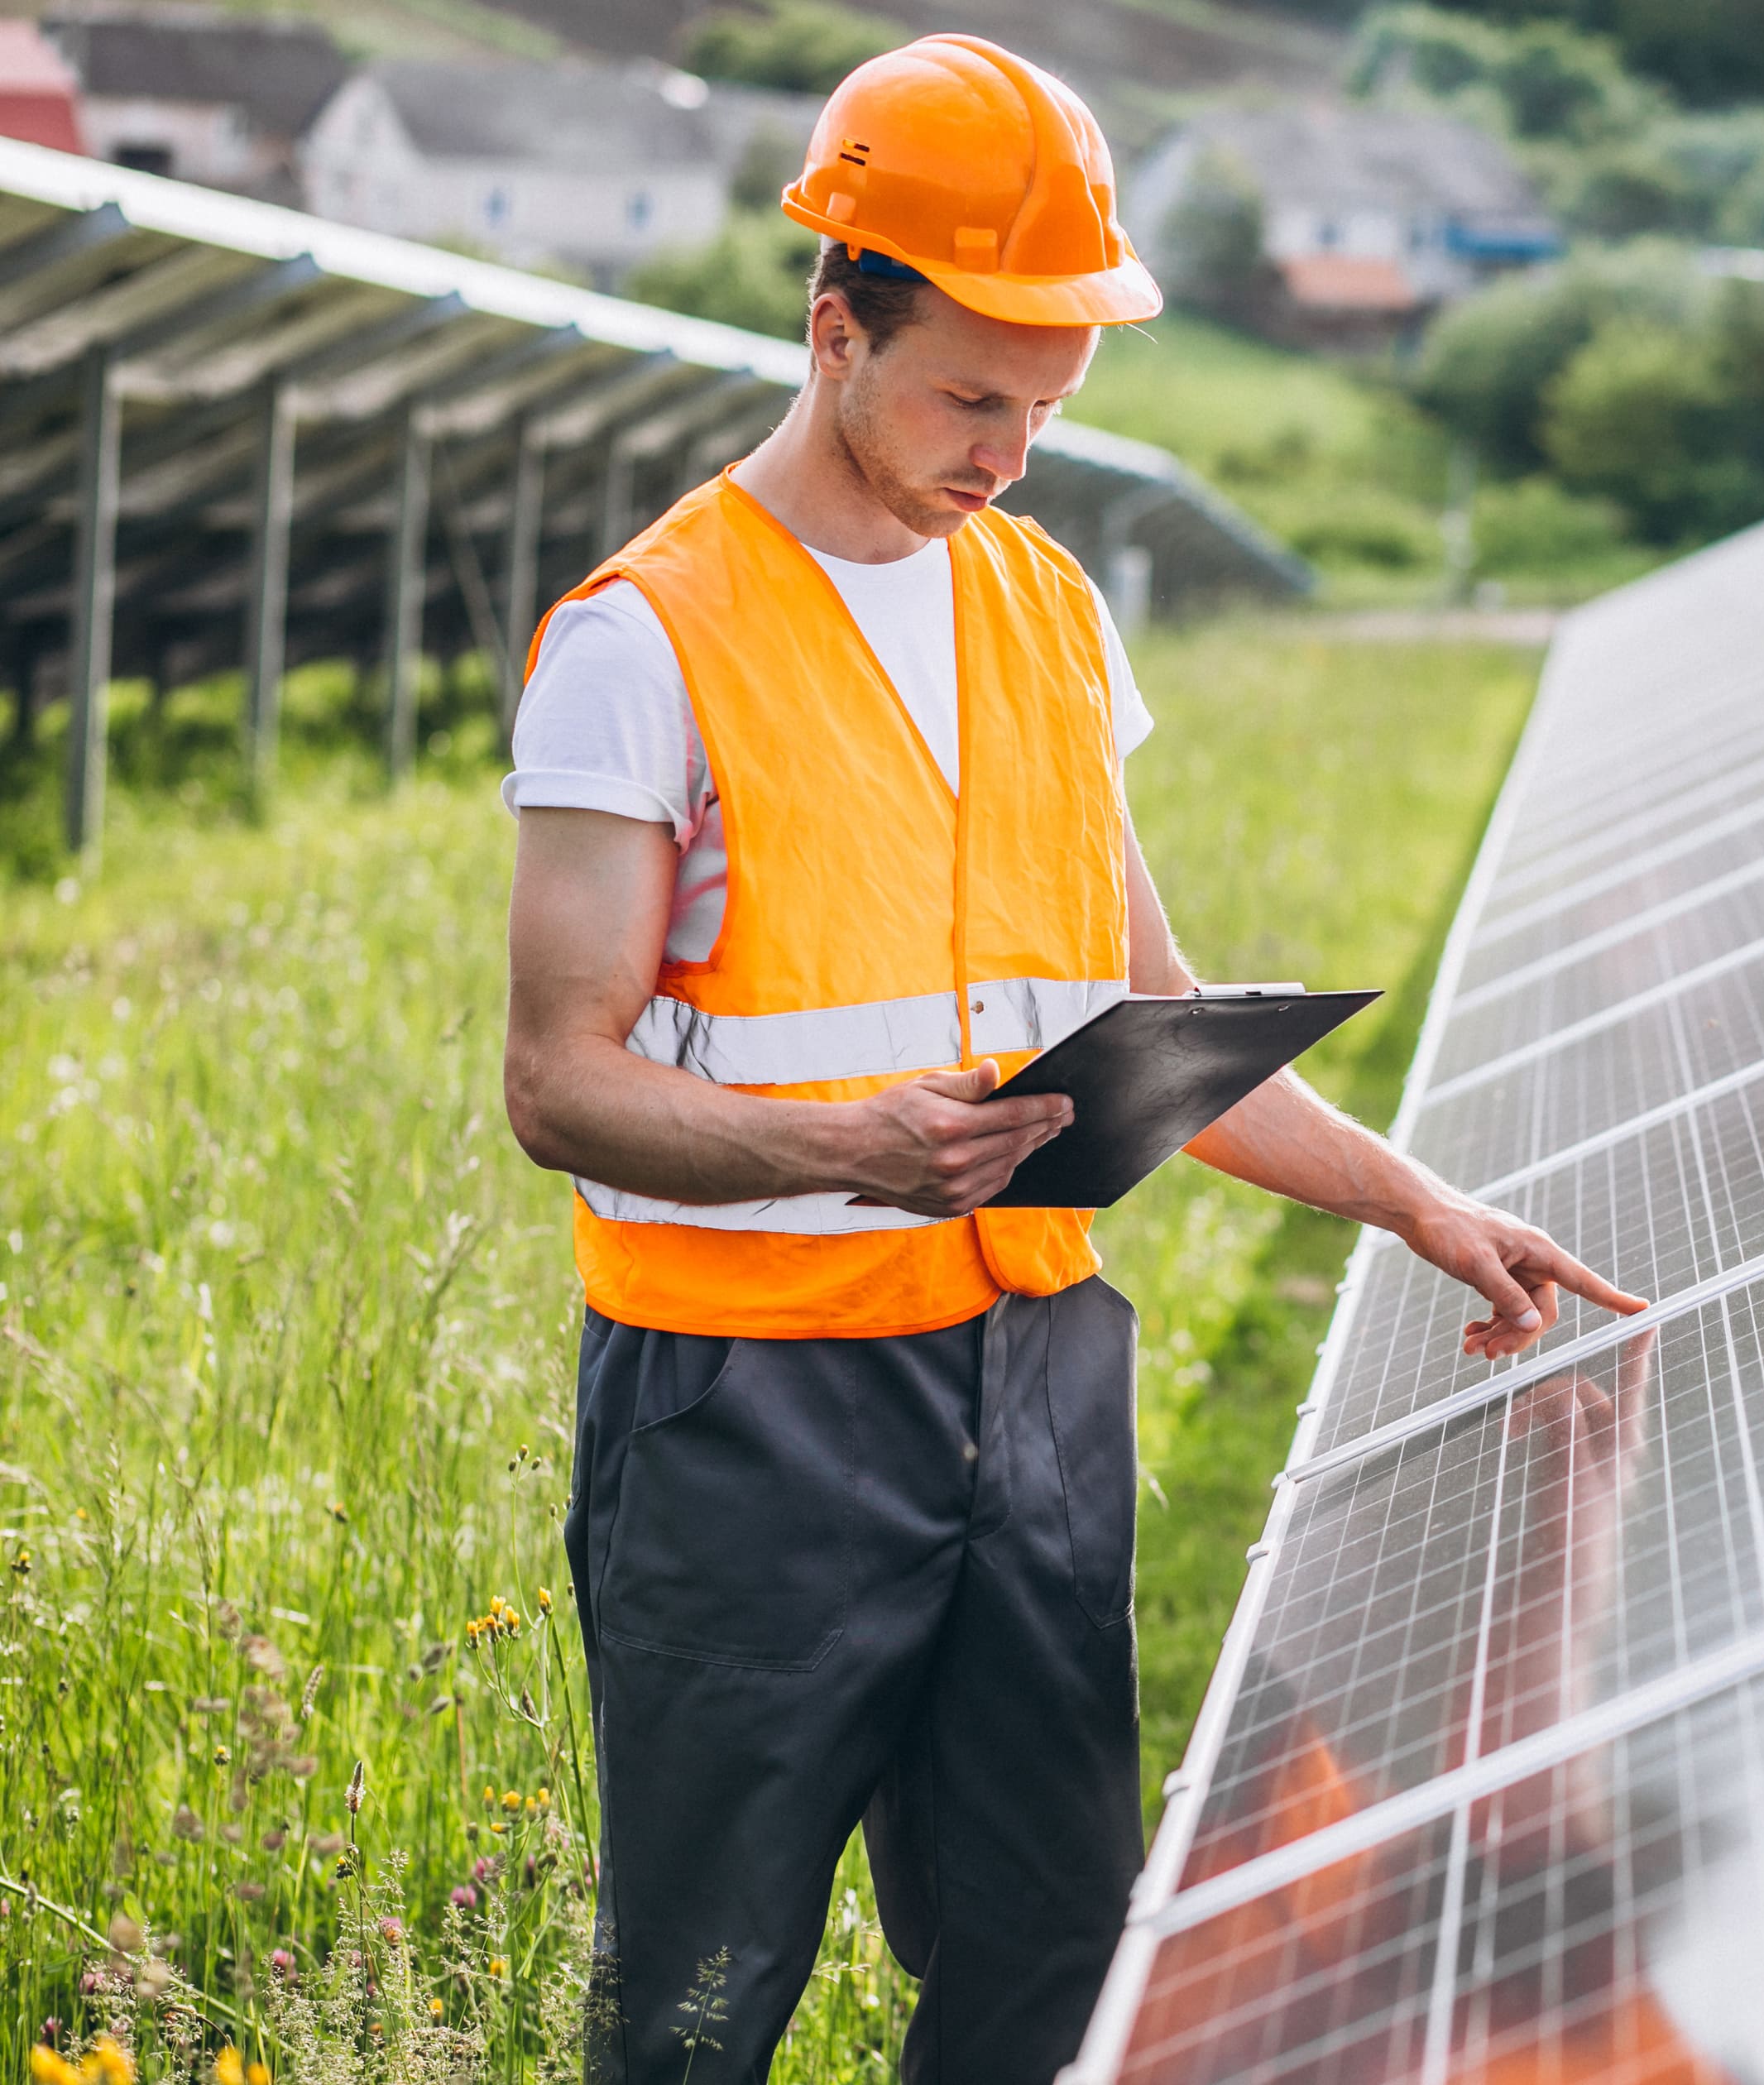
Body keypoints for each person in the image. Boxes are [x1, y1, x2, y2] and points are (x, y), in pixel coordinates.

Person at [496, 36, 1643, 2082]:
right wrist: (844, 1144)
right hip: (744, 1424)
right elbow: (555, 1085)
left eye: (1049, 408)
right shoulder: (642, 643)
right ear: (835, 324)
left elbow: (1154, 1020)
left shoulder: (1048, 614)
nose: (1011, 454)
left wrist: (1420, 1207)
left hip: (1029, 1392)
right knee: (696, 1993)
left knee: (1052, 1961)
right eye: (971, 398)